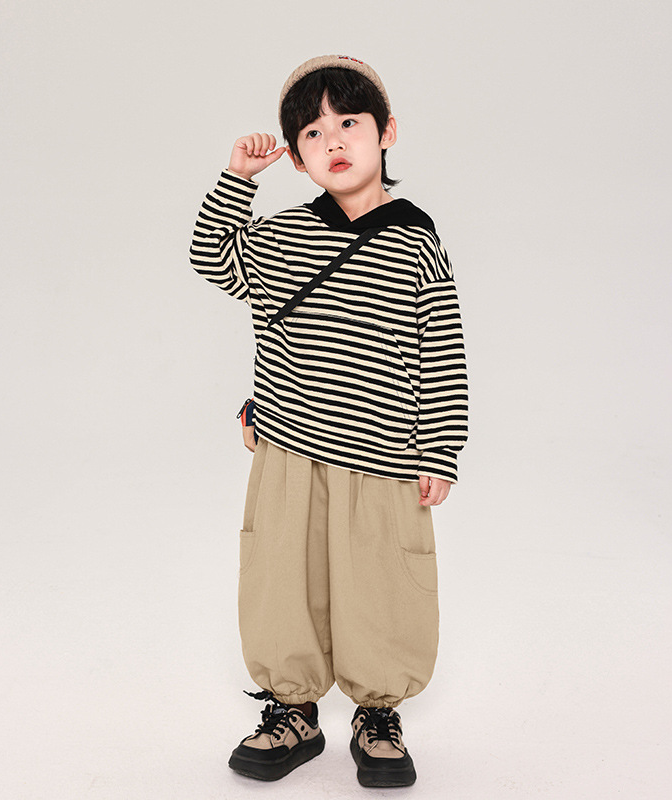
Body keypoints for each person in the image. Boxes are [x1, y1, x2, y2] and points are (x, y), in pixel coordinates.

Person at [189, 54, 469, 788]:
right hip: (288, 450)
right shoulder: (282, 236)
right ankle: (293, 709)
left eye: (349, 121)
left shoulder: (415, 240)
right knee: (282, 579)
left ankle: (377, 712)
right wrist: (238, 178)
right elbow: (210, 258)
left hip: (383, 453)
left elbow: (441, 349)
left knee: (382, 583)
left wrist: (439, 450)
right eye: (312, 132)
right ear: (297, 157)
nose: (333, 139)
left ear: (387, 132)